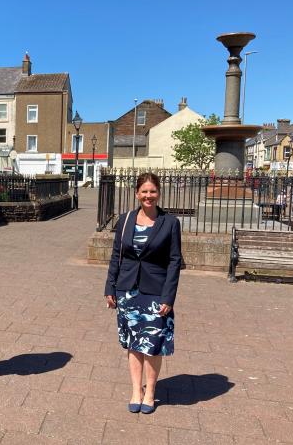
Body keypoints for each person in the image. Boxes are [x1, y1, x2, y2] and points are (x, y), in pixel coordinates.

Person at [104, 172, 182, 414]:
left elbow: (174, 261)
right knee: (133, 344)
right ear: (137, 193)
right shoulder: (126, 219)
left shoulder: (170, 223)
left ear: (159, 193)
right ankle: (136, 389)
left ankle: (150, 393)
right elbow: (117, 255)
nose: (148, 196)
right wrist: (110, 287)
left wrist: (168, 297)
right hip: (128, 291)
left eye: (153, 191)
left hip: (156, 293)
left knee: (152, 345)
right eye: (144, 191)